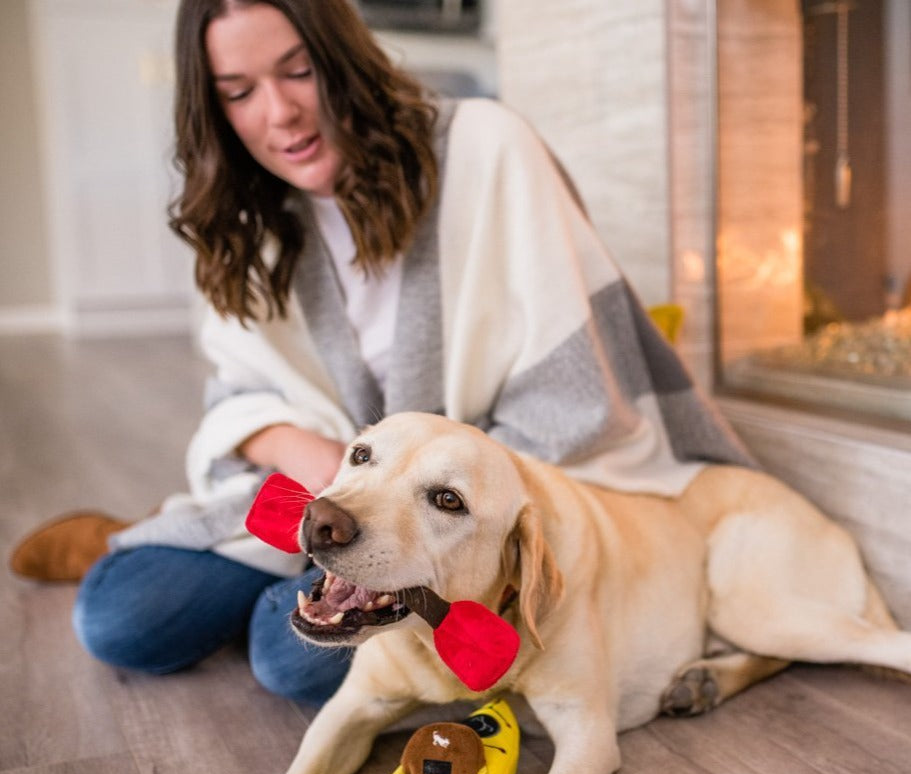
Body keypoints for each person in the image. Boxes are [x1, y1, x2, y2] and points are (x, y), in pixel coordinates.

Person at [10, 0, 752, 704]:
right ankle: (173, 541)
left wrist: (402, 510)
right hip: (318, 496)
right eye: (237, 91)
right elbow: (237, 394)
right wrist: (304, 450)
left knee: (288, 653)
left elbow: (576, 393)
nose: (278, 113)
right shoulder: (249, 213)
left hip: (437, 529)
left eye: (298, 71)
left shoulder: (487, 149)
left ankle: (273, 578)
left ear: (344, 57)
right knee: (115, 616)